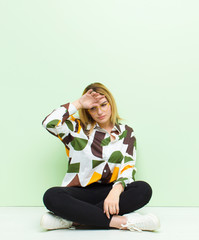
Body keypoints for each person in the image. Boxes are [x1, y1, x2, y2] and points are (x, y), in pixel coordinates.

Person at [40, 82, 160, 232]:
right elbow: (49, 123)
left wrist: (115, 191)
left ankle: (71, 220)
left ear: (111, 104)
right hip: (81, 194)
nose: (100, 112)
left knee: (143, 189)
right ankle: (122, 222)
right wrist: (78, 103)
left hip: (110, 193)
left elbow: (128, 167)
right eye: (93, 108)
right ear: (87, 110)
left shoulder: (126, 132)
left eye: (103, 105)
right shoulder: (77, 129)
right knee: (52, 196)